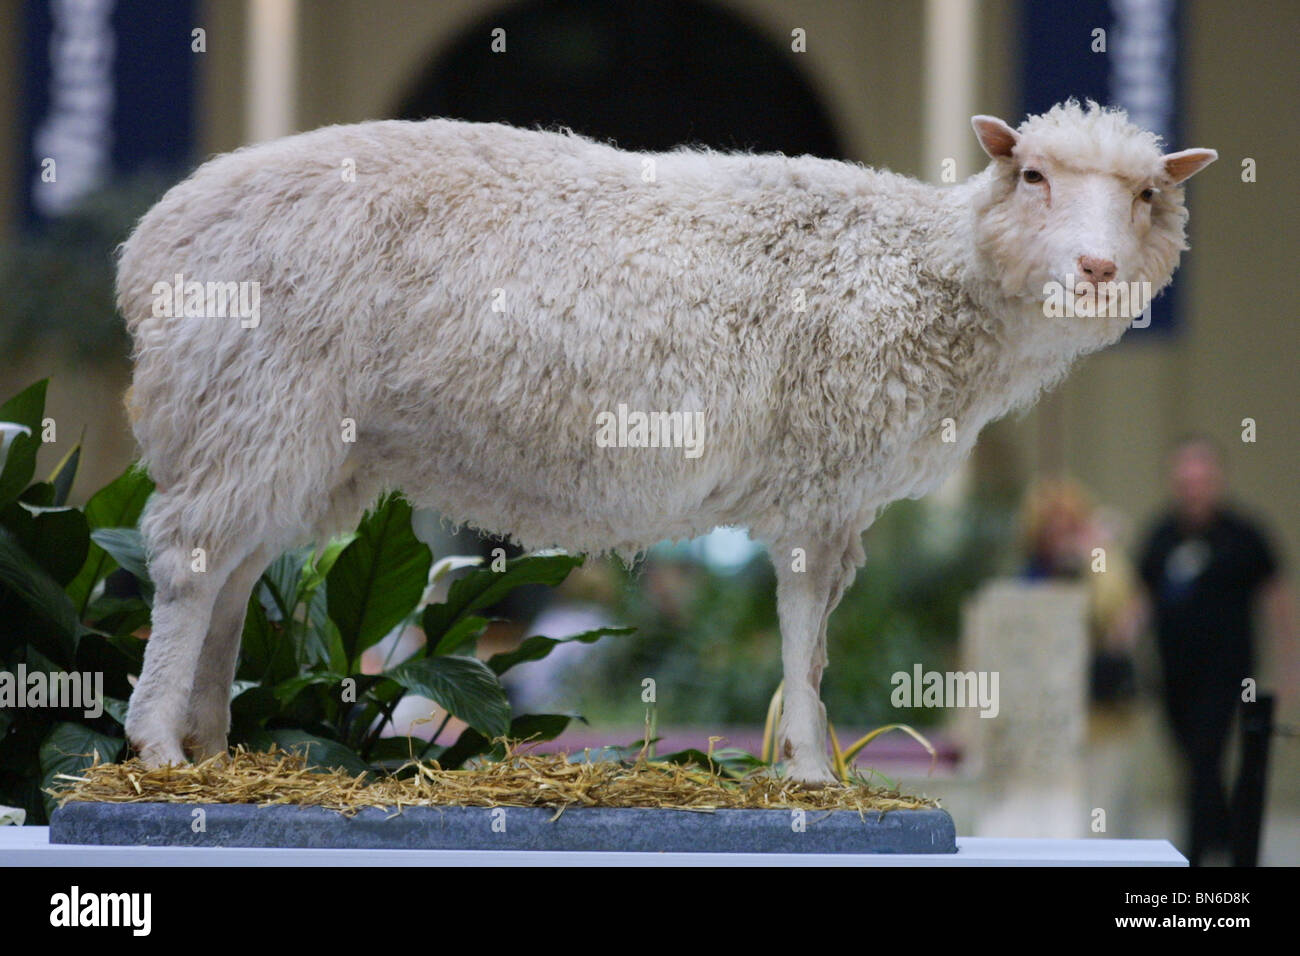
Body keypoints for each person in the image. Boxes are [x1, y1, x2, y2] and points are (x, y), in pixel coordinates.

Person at [1131, 436, 1297, 865]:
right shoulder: (1161, 535)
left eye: (1201, 479)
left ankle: (1195, 850)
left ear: (1217, 480)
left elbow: (1276, 598)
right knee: (1193, 761)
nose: (1193, 489)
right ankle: (1223, 831)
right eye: (1185, 480)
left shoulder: (1244, 535)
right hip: (1173, 672)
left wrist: (1290, 664)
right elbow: (1141, 599)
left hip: (1228, 673)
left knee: (1207, 755)